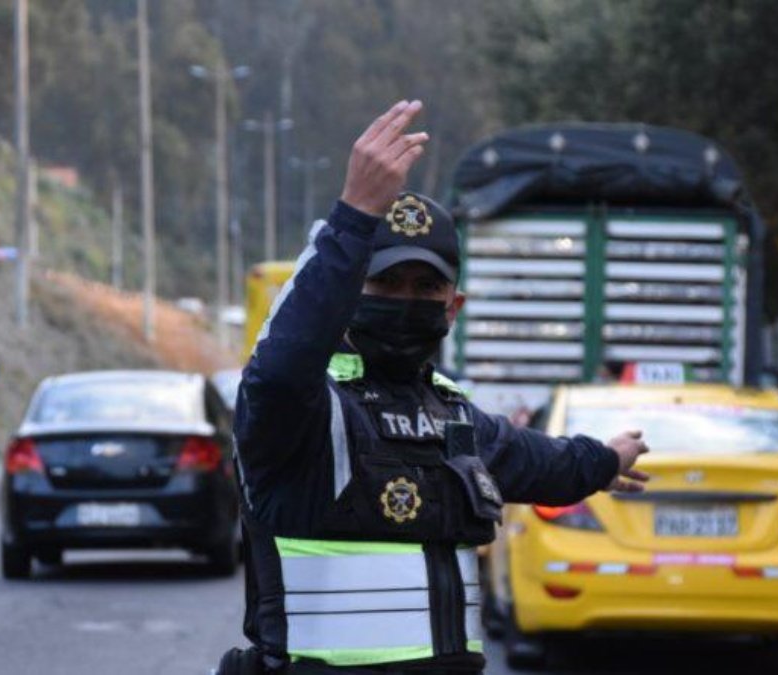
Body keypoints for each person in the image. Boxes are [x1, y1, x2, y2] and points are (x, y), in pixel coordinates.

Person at [221, 100, 649, 675]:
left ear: (454, 308)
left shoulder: (452, 416)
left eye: (425, 287)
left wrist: (601, 460)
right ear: (351, 294)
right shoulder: (302, 411)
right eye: (386, 282)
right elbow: (277, 367)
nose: (405, 300)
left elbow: (538, 461)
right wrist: (352, 216)